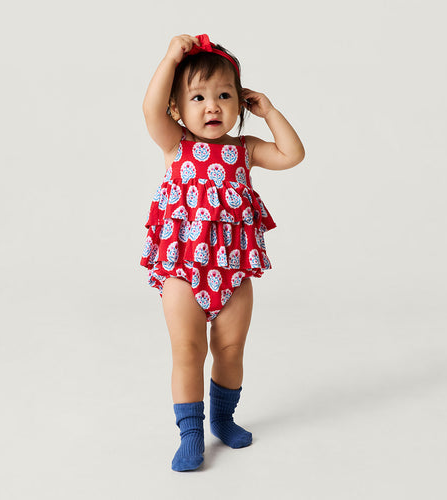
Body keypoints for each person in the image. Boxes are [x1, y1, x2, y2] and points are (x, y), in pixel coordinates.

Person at [141, 34, 305, 471]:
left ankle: (223, 419)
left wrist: (269, 112)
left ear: (239, 102)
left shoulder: (243, 150)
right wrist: (170, 58)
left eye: (224, 95)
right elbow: (150, 109)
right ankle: (190, 433)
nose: (212, 106)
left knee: (230, 349)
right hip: (183, 270)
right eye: (198, 97)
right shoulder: (175, 143)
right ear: (177, 108)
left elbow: (292, 154)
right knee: (188, 349)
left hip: (233, 271)